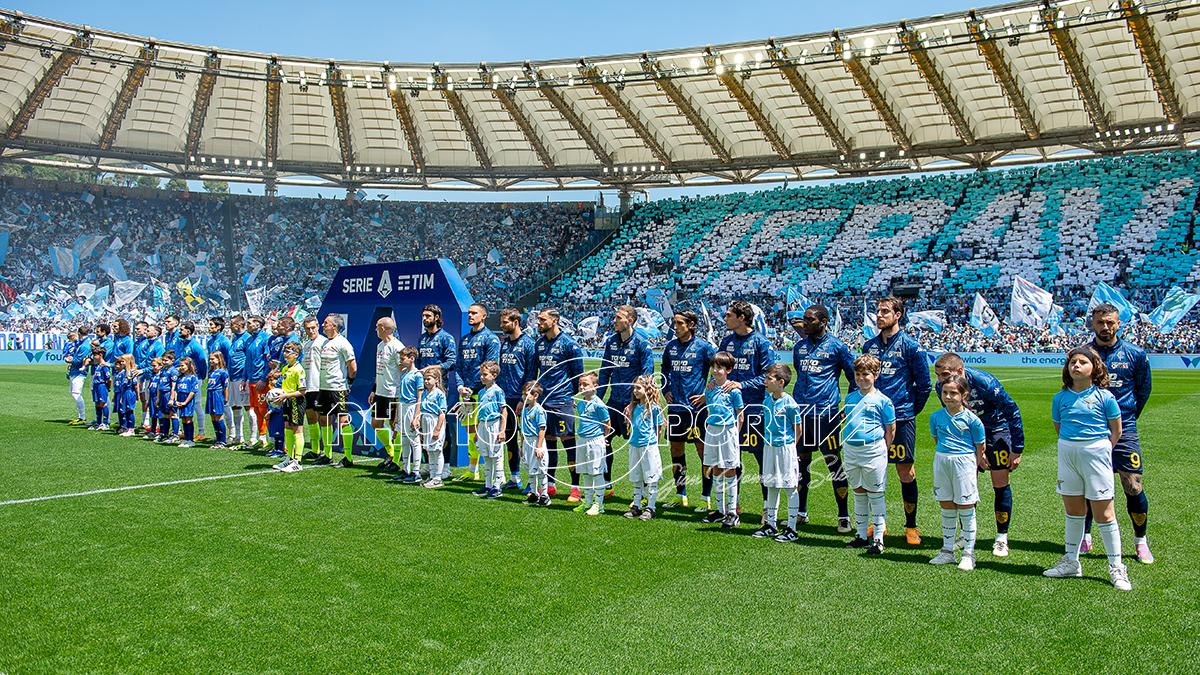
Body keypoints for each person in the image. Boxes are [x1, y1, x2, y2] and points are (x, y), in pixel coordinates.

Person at [1044, 346, 1131, 591]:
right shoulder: (1060, 398)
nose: (1076, 365)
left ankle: (1116, 567)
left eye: (1083, 361)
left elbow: (1116, 431)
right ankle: (1071, 562)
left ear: (1095, 367)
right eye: (1073, 362)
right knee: (1073, 510)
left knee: (1104, 512)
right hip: (1068, 453)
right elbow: (1059, 427)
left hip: (1096, 453)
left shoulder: (1105, 397)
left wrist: (1099, 449)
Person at [933, 353, 1026, 557]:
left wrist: (1017, 448)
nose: (940, 380)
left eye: (945, 374)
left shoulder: (985, 382)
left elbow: (1012, 411)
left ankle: (1002, 538)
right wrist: (976, 451)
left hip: (996, 430)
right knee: (963, 485)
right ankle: (966, 535)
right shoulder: (941, 387)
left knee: (1000, 482)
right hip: (968, 436)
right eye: (938, 374)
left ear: (960, 371)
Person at [1082, 303, 1154, 564]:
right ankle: (1085, 537)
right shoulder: (1083, 354)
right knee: (1089, 488)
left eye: (1110, 322)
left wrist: (1127, 420)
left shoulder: (1135, 354)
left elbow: (1143, 392)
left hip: (1125, 430)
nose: (1105, 327)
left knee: (1133, 486)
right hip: (1090, 430)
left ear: (1119, 323)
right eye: (1100, 322)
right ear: (1092, 323)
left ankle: (1141, 542)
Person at [861, 296, 932, 545]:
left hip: (901, 419)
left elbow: (924, 386)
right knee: (873, 472)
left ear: (898, 315)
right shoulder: (868, 346)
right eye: (877, 311)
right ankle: (878, 522)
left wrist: (909, 411)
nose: (879, 315)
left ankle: (911, 526)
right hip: (872, 420)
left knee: (905, 471)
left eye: (884, 311)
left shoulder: (912, 347)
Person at [789, 304, 855, 533]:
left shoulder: (837, 346)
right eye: (804, 320)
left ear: (823, 321)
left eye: (808, 320)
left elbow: (853, 377)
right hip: (801, 416)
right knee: (800, 464)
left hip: (826, 415)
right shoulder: (799, 347)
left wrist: (849, 405)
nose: (804, 324)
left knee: (833, 464)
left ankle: (843, 515)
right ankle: (800, 511)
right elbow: (798, 372)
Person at [718, 300, 775, 515]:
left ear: (742, 317)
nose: (725, 319)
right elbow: (719, 370)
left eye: (729, 315)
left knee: (763, 461)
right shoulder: (726, 342)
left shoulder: (761, 343)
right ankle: (733, 506)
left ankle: (769, 507)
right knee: (732, 460)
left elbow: (767, 376)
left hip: (755, 411)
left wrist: (743, 384)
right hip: (728, 411)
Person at [927, 374, 988, 571]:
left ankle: (969, 554)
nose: (948, 397)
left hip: (964, 462)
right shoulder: (935, 417)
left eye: (954, 393)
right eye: (945, 392)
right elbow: (937, 440)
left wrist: (970, 465)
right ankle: (947, 551)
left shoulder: (973, 420)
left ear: (964, 395)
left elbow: (980, 448)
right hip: (942, 460)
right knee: (946, 505)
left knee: (966, 507)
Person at [661, 309, 715, 510]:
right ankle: (680, 494)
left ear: (691, 325)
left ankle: (705, 497)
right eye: (674, 323)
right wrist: (665, 389)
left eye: (679, 323)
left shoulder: (703, 347)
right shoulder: (671, 347)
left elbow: (717, 370)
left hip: (696, 409)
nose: (675, 327)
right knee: (676, 451)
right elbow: (664, 370)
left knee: (704, 453)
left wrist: (706, 394)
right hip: (675, 409)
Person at [842, 354, 896, 556]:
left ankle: (878, 539)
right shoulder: (851, 397)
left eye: (865, 374)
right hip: (851, 450)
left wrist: (885, 448)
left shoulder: (883, 400)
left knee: (876, 493)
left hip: (873, 450)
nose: (861, 378)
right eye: (857, 374)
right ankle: (862, 535)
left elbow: (891, 428)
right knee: (858, 491)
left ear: (875, 375)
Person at [599, 305, 654, 497]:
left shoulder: (642, 343)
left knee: (640, 447)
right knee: (602, 440)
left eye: (618, 317)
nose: (613, 320)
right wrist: (597, 402)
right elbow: (604, 372)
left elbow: (647, 377)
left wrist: (633, 404)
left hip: (634, 405)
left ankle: (645, 493)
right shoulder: (611, 342)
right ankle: (606, 485)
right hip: (613, 402)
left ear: (629, 321)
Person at [530, 309, 584, 500]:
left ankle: (574, 487)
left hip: (562, 402)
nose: (538, 322)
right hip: (543, 403)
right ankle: (550, 484)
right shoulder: (539, 344)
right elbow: (534, 374)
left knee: (569, 443)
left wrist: (568, 396)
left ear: (554, 320)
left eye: (542, 319)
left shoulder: (569, 343)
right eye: (538, 319)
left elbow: (578, 374)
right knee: (548, 444)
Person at [757, 364, 803, 542]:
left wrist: (792, 448)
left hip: (785, 448)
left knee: (790, 486)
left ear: (781, 382)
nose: (765, 382)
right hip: (769, 447)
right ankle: (771, 524)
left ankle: (792, 528)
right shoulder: (767, 401)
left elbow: (797, 428)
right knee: (771, 485)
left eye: (769, 379)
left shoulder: (790, 403)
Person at [456, 304, 501, 482]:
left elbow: (489, 368)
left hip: (482, 394)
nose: (470, 315)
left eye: (474, 313)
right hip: (465, 393)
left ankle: (498, 475)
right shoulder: (465, 339)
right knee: (470, 432)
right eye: (469, 313)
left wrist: (472, 389)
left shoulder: (491, 339)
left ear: (483, 316)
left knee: (488, 432)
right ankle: (472, 470)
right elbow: (458, 365)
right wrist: (460, 386)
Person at [700, 351, 745, 528]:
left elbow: (740, 414)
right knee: (716, 469)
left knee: (730, 469)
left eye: (720, 368)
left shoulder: (733, 390)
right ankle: (720, 510)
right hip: (712, 431)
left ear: (729, 370)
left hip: (728, 432)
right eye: (713, 367)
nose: (715, 371)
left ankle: (733, 512)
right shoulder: (709, 388)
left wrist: (735, 434)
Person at [498, 308, 536, 491]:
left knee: (526, 439)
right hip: (505, 399)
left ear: (516, 322)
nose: (502, 325)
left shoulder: (529, 344)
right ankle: (514, 478)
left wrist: (525, 398)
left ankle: (531, 481)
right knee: (510, 439)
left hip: (520, 400)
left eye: (505, 322)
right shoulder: (504, 344)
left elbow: (530, 374)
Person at [417, 304, 456, 477]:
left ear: (437, 318)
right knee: (425, 424)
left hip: (440, 388)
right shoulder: (422, 339)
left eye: (428, 316)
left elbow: (452, 362)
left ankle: (445, 465)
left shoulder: (446, 338)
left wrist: (434, 368)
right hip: (424, 388)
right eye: (423, 316)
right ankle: (428, 463)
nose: (425, 319)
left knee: (441, 426)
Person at [314, 313, 357, 468]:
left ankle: (348, 457)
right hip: (323, 387)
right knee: (324, 420)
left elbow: (353, 367)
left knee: (343, 421)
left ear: (334, 325)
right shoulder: (325, 342)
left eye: (325, 323)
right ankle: (327, 455)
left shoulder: (343, 343)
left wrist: (349, 383)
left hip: (337, 388)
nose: (322, 325)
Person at [624, 374, 665, 521]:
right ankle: (636, 505)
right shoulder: (634, 406)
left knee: (651, 477)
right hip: (634, 445)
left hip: (648, 446)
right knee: (637, 477)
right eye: (634, 388)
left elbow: (659, 427)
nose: (635, 391)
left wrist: (655, 444)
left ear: (648, 389)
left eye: (639, 388)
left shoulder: (654, 407)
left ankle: (651, 507)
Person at [369, 317, 406, 473]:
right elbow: (379, 369)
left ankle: (396, 461)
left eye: (377, 327)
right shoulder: (380, 346)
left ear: (383, 328)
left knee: (394, 426)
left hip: (393, 392)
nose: (375, 329)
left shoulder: (397, 346)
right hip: (380, 392)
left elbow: (403, 369)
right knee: (376, 424)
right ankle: (390, 452)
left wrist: (402, 392)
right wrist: (374, 389)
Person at [573, 371, 611, 515]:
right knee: (585, 473)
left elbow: (607, 423)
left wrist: (604, 438)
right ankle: (588, 502)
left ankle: (599, 505)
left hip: (595, 440)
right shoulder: (582, 403)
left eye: (585, 385)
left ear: (595, 386)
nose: (581, 387)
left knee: (596, 472)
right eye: (580, 385)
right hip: (582, 439)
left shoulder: (599, 404)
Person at [470, 361, 506, 499]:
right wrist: (478, 431)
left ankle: (497, 486)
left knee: (496, 455)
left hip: (494, 424)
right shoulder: (480, 392)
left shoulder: (498, 391)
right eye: (481, 374)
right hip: (483, 425)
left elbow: (504, 410)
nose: (482, 377)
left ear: (494, 375)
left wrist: (501, 430)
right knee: (486, 455)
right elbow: (480, 412)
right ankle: (487, 485)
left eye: (485, 375)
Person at [272, 342, 308, 473]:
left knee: (297, 431)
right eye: (285, 351)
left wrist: (286, 395)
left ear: (296, 355)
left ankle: (298, 462)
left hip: (296, 402)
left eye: (288, 352)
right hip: (286, 401)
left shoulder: (299, 369)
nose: (285, 354)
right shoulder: (286, 368)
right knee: (287, 429)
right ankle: (289, 457)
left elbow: (303, 391)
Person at [393, 347, 425, 483]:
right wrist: (396, 416)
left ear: (411, 359)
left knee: (414, 440)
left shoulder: (417, 375)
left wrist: (416, 416)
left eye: (402, 359)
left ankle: (416, 472)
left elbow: (420, 397)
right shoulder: (404, 374)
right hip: (403, 408)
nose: (400, 361)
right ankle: (406, 470)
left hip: (412, 408)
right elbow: (400, 397)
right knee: (404, 440)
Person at [176, 321, 209, 441]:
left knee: (197, 404)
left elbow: (202, 362)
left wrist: (202, 377)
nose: (179, 332)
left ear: (188, 331)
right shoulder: (183, 344)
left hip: (196, 378)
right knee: (184, 402)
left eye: (181, 330)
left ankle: (201, 431)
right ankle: (187, 431)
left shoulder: (195, 345)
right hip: (185, 377)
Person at [519, 381, 549, 506]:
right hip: (527, 442)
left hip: (536, 442)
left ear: (535, 395)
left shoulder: (539, 410)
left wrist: (538, 447)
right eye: (523, 395)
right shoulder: (524, 411)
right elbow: (522, 429)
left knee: (540, 470)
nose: (523, 397)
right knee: (530, 469)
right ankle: (534, 493)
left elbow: (542, 429)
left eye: (526, 395)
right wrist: (521, 446)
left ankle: (545, 496)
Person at [419, 366, 448, 489]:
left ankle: (438, 477)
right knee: (429, 450)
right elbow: (421, 411)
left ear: (436, 379)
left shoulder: (439, 394)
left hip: (434, 422)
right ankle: (432, 474)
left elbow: (442, 413)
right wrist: (421, 428)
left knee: (437, 450)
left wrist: (437, 429)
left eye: (429, 379)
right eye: (425, 379)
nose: (426, 382)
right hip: (426, 422)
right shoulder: (425, 393)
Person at [300, 316, 325, 459]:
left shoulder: (323, 342)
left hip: (320, 385)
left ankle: (325, 451)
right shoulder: (307, 344)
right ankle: (314, 449)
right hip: (308, 386)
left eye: (313, 327)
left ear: (318, 326)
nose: (311, 331)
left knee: (323, 419)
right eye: (308, 328)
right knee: (310, 418)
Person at [245, 316, 272, 449]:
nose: (247, 325)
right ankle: (262, 438)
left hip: (260, 381)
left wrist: (263, 378)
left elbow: (268, 361)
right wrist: (244, 378)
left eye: (249, 323)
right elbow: (247, 360)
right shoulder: (249, 339)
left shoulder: (265, 338)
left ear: (257, 325)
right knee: (256, 410)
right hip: (251, 380)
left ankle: (271, 439)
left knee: (264, 410)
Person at [134, 322, 164, 430]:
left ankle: (158, 428)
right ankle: (151, 426)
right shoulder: (150, 344)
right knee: (149, 401)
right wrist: (137, 367)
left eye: (148, 330)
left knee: (155, 401)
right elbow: (147, 362)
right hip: (148, 376)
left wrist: (143, 370)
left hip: (154, 377)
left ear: (155, 333)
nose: (146, 332)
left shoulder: (158, 346)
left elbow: (159, 364)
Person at [227, 316, 251, 448]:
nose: (229, 326)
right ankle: (239, 436)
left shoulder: (247, 338)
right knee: (235, 405)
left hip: (242, 377)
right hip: (232, 377)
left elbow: (248, 358)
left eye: (231, 324)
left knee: (248, 406)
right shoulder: (235, 338)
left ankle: (253, 437)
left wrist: (244, 377)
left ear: (239, 325)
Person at [207, 317, 232, 431]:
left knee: (225, 406)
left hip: (223, 376)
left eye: (211, 325)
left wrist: (226, 373)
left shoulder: (225, 341)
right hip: (213, 375)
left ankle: (232, 433)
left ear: (218, 327)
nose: (209, 327)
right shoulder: (210, 341)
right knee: (214, 410)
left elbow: (229, 358)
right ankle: (219, 433)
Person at [66, 324, 93, 425]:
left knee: (76, 393)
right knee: (75, 393)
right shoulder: (82, 344)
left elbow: (79, 360)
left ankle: (82, 417)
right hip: (76, 371)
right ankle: (81, 416)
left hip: (79, 372)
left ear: (78, 333)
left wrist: (70, 360)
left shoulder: (84, 345)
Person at [173, 357, 200, 448]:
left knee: (188, 419)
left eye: (182, 366)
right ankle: (186, 439)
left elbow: (193, 391)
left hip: (187, 400)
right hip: (180, 399)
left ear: (189, 366)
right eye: (180, 366)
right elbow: (176, 390)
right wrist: (176, 400)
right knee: (183, 419)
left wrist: (185, 402)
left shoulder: (193, 377)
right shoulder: (180, 378)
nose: (181, 368)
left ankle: (190, 440)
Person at [206, 352, 230, 448]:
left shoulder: (223, 372)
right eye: (210, 359)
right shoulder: (211, 372)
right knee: (213, 417)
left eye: (213, 359)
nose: (211, 361)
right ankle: (218, 439)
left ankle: (222, 441)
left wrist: (226, 397)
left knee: (218, 417)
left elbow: (225, 386)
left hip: (217, 394)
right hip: (210, 394)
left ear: (219, 360)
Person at [157, 350, 179, 444]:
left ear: (172, 360)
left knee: (173, 414)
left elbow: (173, 386)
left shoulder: (173, 371)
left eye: (166, 360)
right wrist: (158, 398)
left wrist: (171, 399)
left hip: (168, 394)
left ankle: (175, 435)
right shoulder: (163, 370)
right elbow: (159, 384)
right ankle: (164, 434)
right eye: (163, 360)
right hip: (162, 394)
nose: (164, 362)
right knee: (164, 414)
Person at [113, 354, 138, 436]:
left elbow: (135, 385)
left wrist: (137, 395)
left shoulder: (131, 372)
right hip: (124, 392)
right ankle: (127, 428)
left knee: (129, 410)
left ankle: (131, 429)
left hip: (129, 392)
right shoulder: (125, 372)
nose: (121, 362)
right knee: (126, 410)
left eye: (123, 361)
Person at [87, 347, 111, 431]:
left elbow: (109, 378)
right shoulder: (97, 365)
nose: (93, 357)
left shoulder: (104, 365)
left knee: (103, 404)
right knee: (97, 403)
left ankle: (106, 423)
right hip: (96, 385)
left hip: (101, 385)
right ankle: (98, 422)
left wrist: (108, 387)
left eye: (95, 355)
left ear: (100, 355)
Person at [143, 356, 163, 441]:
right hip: (151, 397)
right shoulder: (153, 375)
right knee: (153, 415)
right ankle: (153, 430)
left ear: (161, 365)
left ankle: (161, 432)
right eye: (152, 366)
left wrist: (158, 399)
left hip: (157, 397)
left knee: (160, 415)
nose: (153, 368)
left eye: (155, 366)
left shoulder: (161, 376)